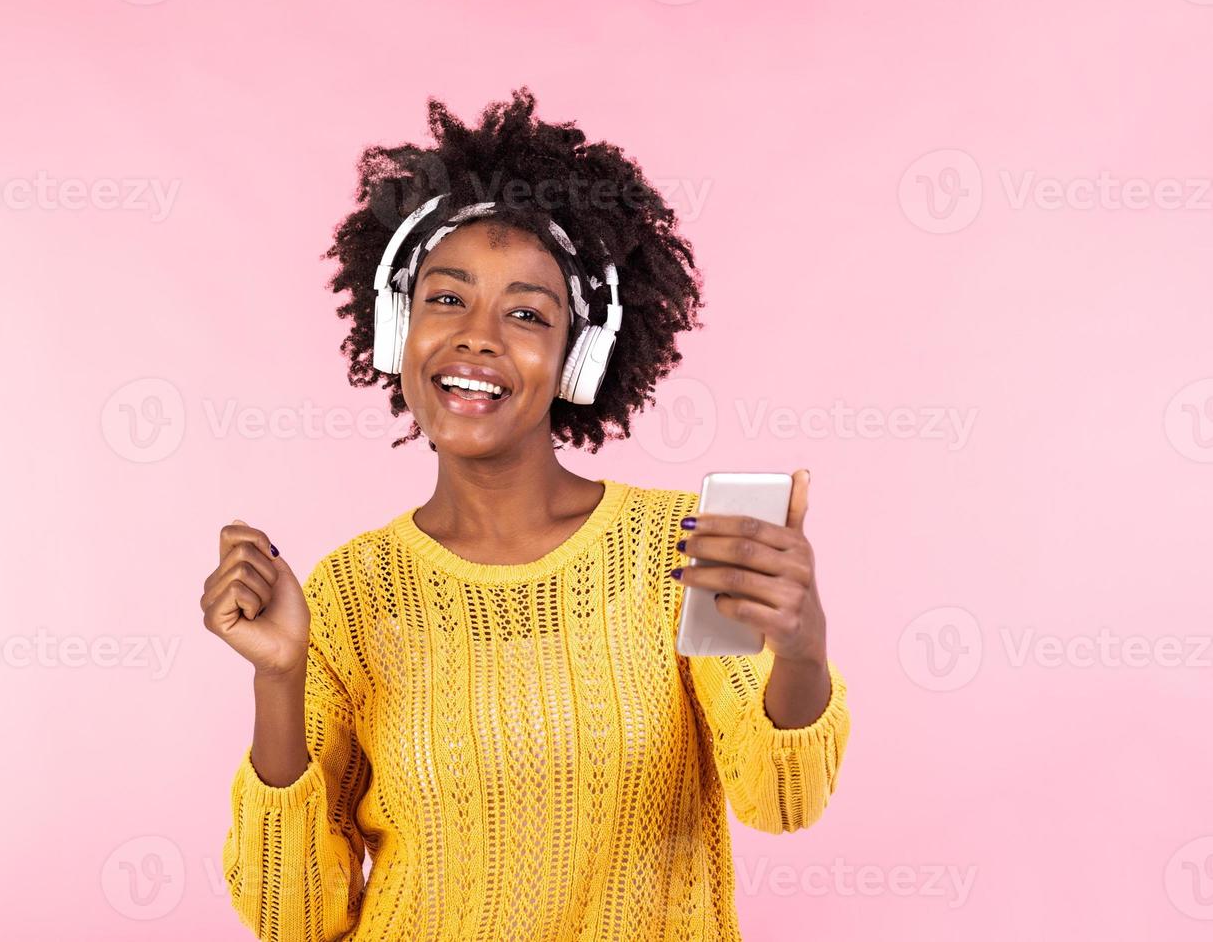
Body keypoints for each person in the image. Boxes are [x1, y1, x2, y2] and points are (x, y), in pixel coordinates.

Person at [203, 87, 850, 941]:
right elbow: (294, 919)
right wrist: (278, 678)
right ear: (397, 327)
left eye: (525, 314)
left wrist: (801, 652)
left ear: (578, 358)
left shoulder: (681, 552)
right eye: (445, 299)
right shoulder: (350, 594)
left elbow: (784, 801)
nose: (477, 337)